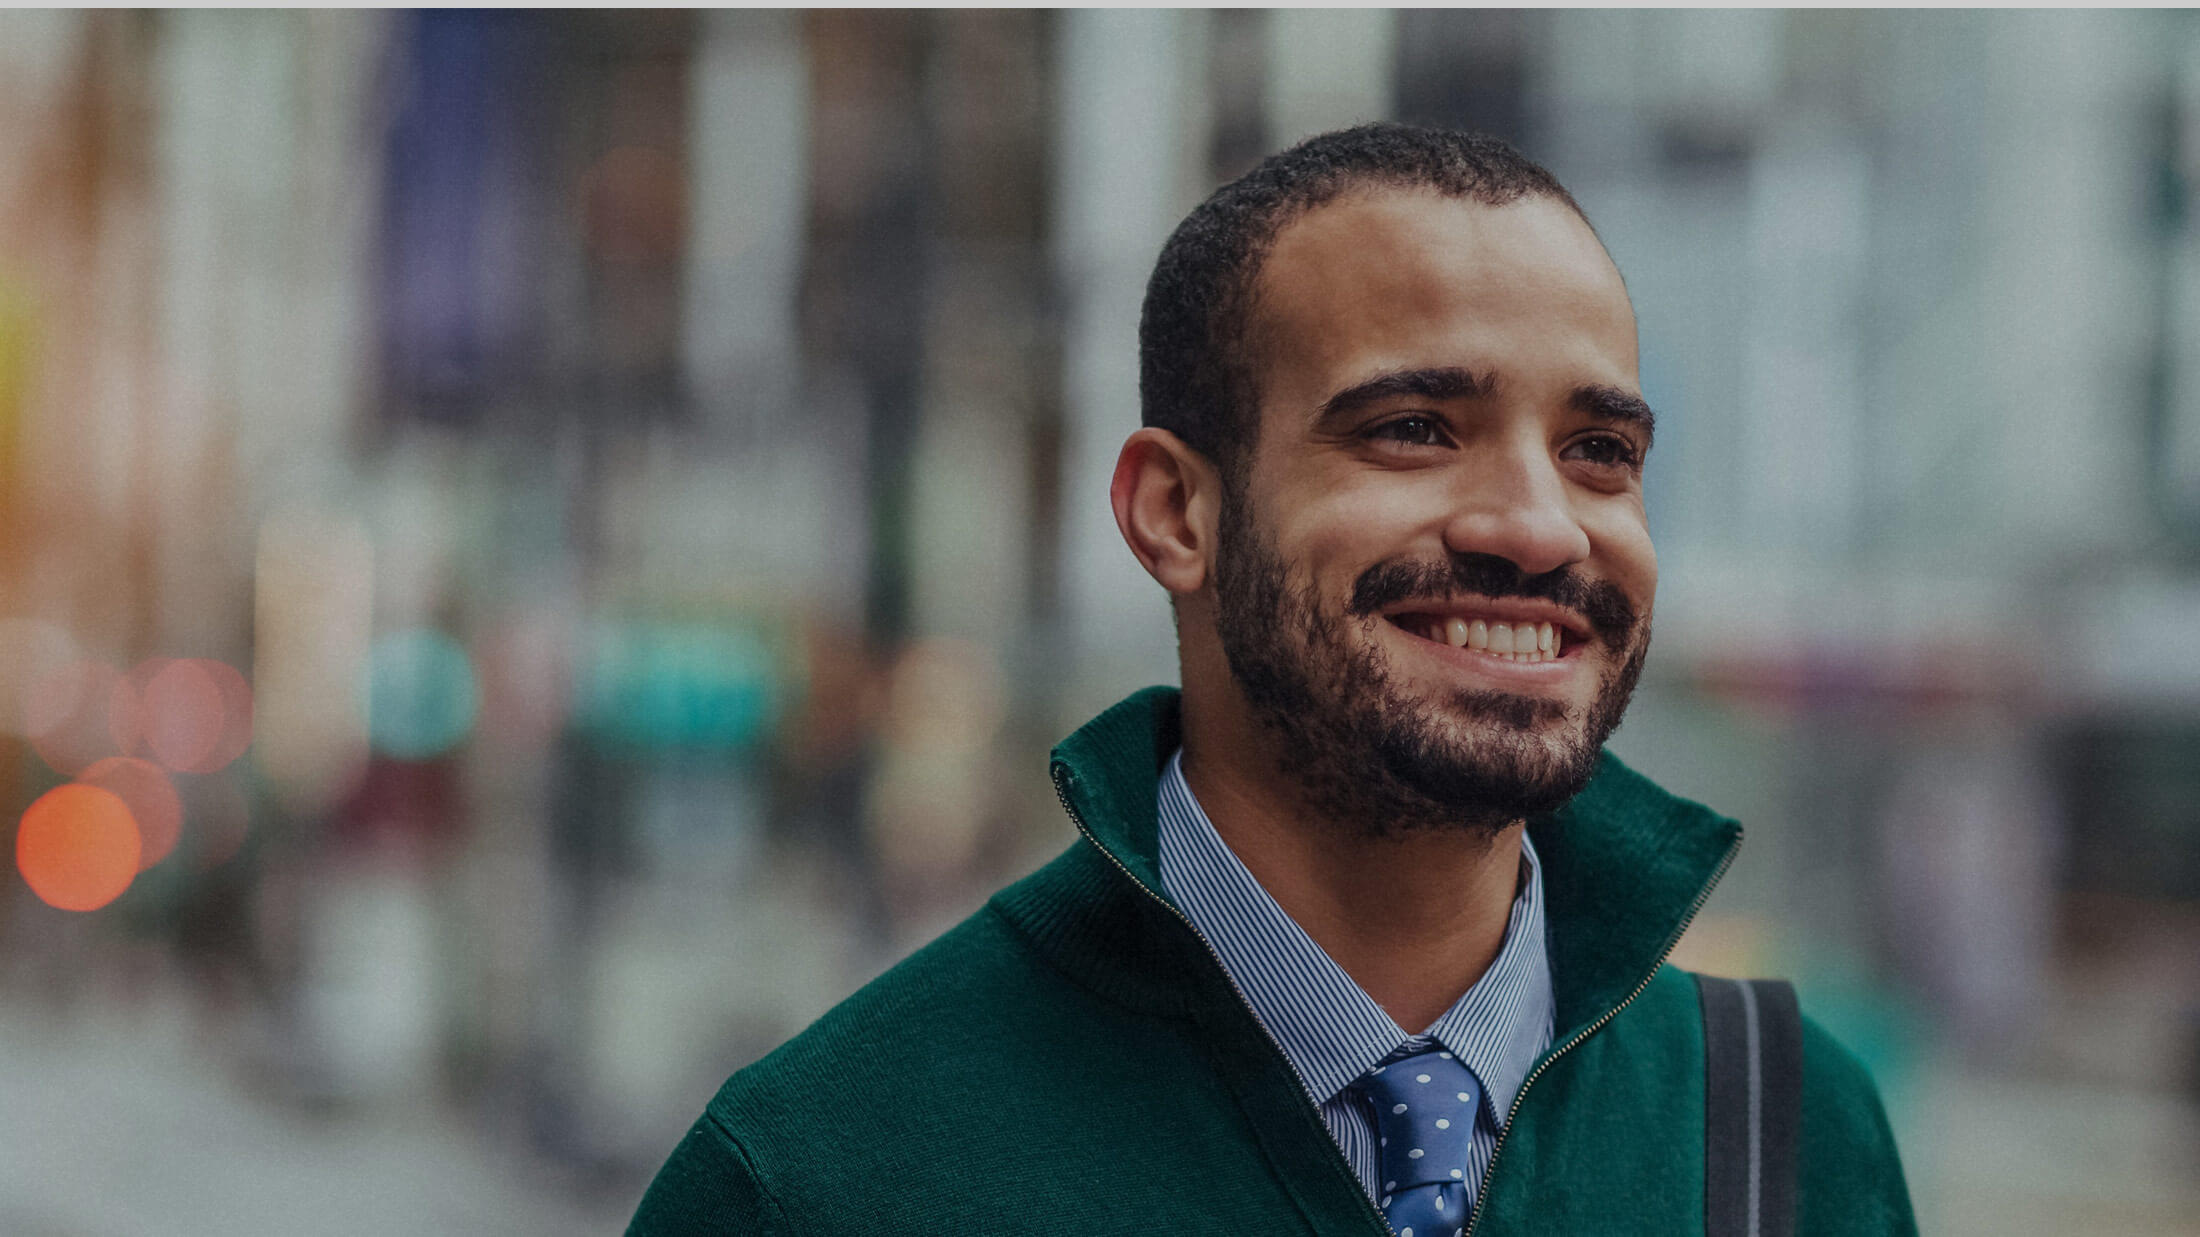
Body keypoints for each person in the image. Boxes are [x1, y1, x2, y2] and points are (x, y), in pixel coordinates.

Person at [630, 123, 1915, 1236]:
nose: (1538, 527)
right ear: (1175, 512)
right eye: (1413, 429)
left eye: (1597, 450)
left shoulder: (1788, 1131)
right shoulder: (823, 1176)